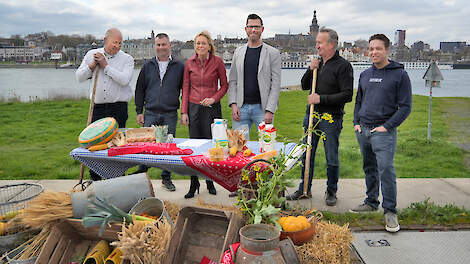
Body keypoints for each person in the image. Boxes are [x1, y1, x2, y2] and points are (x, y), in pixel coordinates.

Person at [350, 34, 412, 233]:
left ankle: (390, 211)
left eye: (378, 48)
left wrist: (387, 126)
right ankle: (370, 201)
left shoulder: (399, 75)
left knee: (385, 170)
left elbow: (405, 107)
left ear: (387, 50)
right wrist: (356, 122)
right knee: (369, 168)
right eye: (371, 49)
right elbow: (359, 100)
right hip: (364, 130)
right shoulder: (365, 74)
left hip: (383, 132)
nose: (374, 52)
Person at [286, 27, 353, 206]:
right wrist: (310, 69)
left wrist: (320, 98)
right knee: (306, 154)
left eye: (320, 43)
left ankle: (331, 191)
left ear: (331, 44)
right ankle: (304, 188)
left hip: (330, 119)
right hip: (311, 116)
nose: (317, 46)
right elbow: (303, 85)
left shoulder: (343, 66)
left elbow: (347, 95)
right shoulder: (318, 63)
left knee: (331, 156)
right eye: (316, 42)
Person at [76, 28, 134, 181]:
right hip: (98, 108)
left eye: (120, 43)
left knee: (117, 144)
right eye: (114, 42)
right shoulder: (92, 54)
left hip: (118, 108)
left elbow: (124, 80)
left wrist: (105, 66)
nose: (117, 46)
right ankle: (95, 179)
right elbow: (79, 77)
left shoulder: (127, 59)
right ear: (105, 40)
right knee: (95, 144)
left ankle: (117, 179)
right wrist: (91, 66)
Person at [133, 33, 184, 191]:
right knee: (147, 145)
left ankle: (166, 177)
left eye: (164, 44)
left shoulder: (179, 66)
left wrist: (184, 111)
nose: (161, 47)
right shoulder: (148, 66)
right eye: (158, 45)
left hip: (170, 113)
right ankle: (141, 175)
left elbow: (185, 89)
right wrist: (139, 111)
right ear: (155, 46)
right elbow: (139, 89)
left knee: (168, 146)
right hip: (151, 112)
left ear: (170, 45)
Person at [181, 30, 228, 199]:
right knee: (194, 149)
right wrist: (184, 111)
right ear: (195, 46)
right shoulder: (189, 63)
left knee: (211, 147)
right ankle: (194, 183)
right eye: (197, 43)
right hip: (194, 108)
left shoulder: (218, 63)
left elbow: (224, 86)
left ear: (209, 46)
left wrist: (213, 99)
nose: (200, 46)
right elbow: (185, 88)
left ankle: (209, 180)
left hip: (211, 109)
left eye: (203, 43)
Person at [228, 13, 281, 138]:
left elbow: (276, 84)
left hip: (262, 110)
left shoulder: (273, 53)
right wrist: (233, 104)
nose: (253, 30)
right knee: (239, 148)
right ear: (245, 29)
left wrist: (270, 110)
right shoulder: (238, 52)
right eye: (250, 26)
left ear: (262, 29)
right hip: (241, 108)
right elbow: (233, 80)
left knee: (267, 146)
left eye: (256, 27)